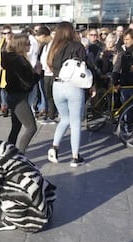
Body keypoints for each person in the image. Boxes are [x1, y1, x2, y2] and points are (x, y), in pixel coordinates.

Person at [46, 21, 88, 167]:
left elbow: (49, 66)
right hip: (74, 86)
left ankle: (54, 147)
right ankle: (75, 157)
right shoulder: (78, 46)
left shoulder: (53, 47)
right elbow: (85, 67)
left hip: (57, 85)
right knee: (75, 122)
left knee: (64, 118)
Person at [1, 33, 40, 154]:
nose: (30, 46)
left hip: (12, 95)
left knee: (16, 126)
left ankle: (8, 152)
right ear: (21, 45)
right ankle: (20, 154)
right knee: (31, 127)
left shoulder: (10, 58)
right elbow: (28, 82)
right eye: (27, 44)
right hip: (19, 97)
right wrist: (37, 73)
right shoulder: (19, 60)